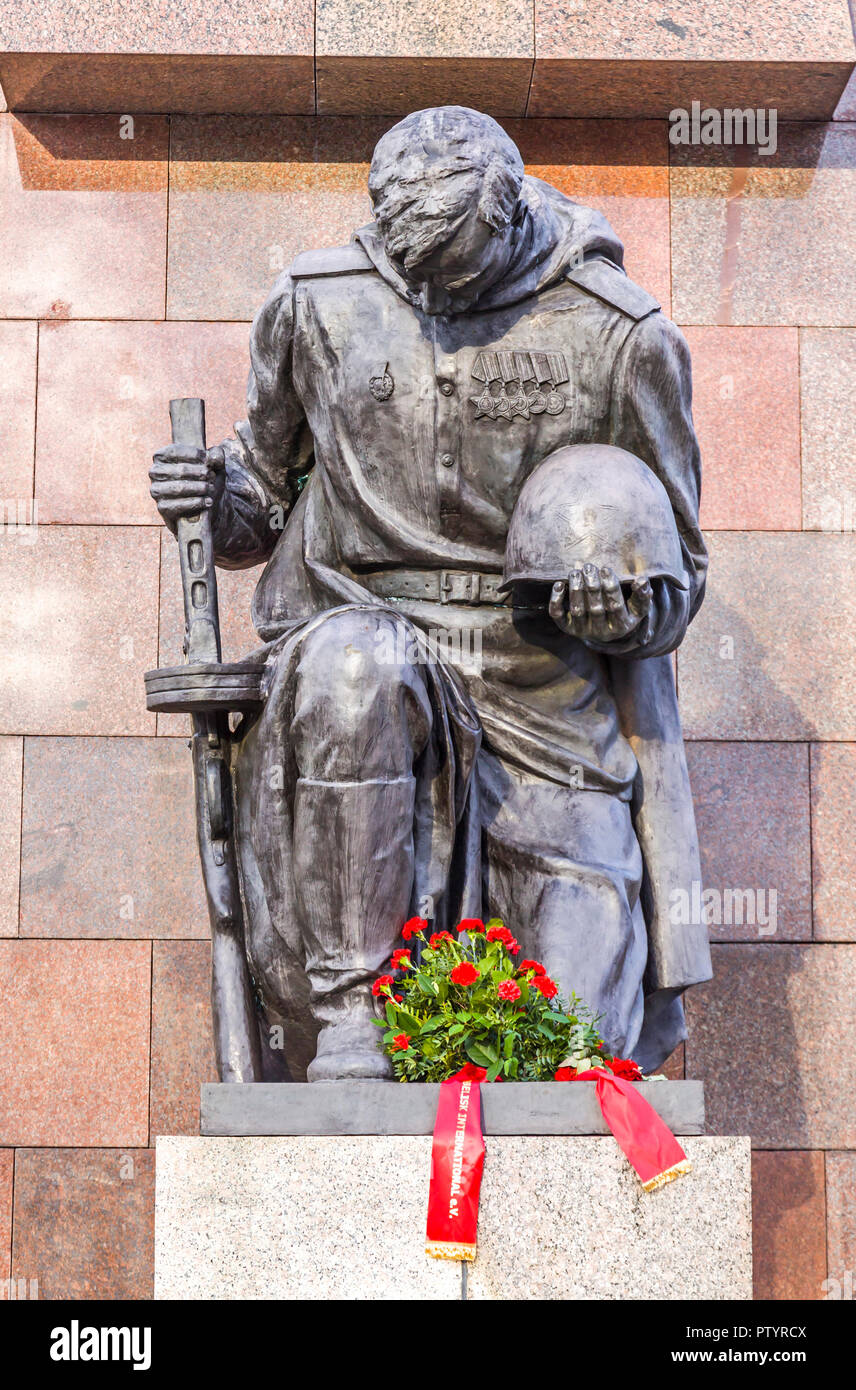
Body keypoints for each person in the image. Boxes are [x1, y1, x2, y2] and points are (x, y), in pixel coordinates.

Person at [151, 106, 711, 1081]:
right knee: (355, 661)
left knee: (574, 1044)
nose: (428, 294)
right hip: (363, 634)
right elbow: (259, 500)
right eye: (413, 277)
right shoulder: (316, 305)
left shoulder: (622, 334)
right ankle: (354, 1014)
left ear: (510, 215)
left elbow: (678, 578)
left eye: (453, 274)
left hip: (542, 679)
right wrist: (211, 494)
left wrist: (618, 607)